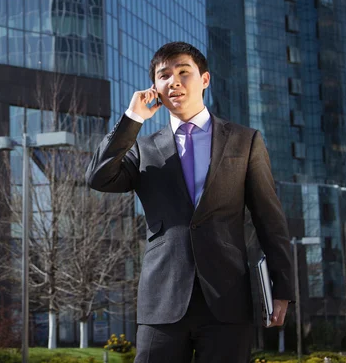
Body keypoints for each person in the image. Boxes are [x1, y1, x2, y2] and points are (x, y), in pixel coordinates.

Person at [85, 42, 294, 363]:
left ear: (205, 79)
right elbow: (98, 177)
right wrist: (132, 118)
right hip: (162, 303)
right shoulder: (144, 148)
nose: (174, 81)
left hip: (228, 301)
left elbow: (270, 219)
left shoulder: (245, 140)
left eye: (184, 72)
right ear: (154, 87)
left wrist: (282, 289)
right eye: (164, 75)